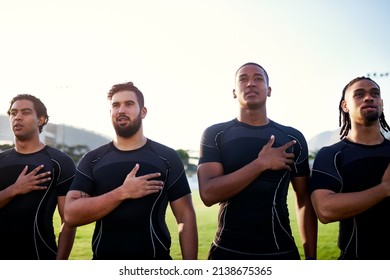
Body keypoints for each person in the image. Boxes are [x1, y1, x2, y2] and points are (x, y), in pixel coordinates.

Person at [64, 81, 198, 260]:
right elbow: (71, 215)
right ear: (110, 112)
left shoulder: (166, 157)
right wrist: (123, 193)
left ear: (143, 112)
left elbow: (185, 216)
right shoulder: (92, 159)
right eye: (115, 105)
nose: (121, 110)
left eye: (129, 104)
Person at [197, 62, 317, 260]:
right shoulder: (215, 134)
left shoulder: (292, 138)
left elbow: (304, 201)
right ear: (234, 91)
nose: (251, 83)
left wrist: (311, 259)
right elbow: (208, 194)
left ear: (269, 90)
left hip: (281, 251)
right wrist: (260, 164)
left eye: (258, 79)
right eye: (243, 79)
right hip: (226, 252)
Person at [310, 76, 390, 260]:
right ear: (345, 106)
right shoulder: (332, 154)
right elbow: (325, 210)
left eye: (375, 94)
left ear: (382, 103)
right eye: (359, 94)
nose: (369, 98)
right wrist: (384, 189)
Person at [0, 94, 76, 260]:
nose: (17, 117)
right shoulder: (1, 161)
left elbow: (68, 221)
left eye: (25, 112)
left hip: (40, 254)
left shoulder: (60, 162)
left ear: (41, 120)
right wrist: (14, 189)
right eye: (13, 113)